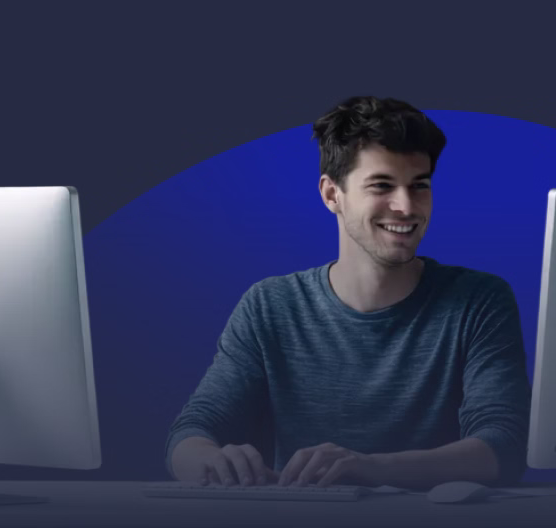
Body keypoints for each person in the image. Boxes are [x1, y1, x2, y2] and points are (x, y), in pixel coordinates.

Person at [165, 96, 531, 490]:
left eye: (419, 186)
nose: (406, 206)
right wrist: (207, 460)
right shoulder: (269, 306)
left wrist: (372, 470)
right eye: (381, 185)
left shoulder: (478, 300)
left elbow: (504, 446)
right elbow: (192, 432)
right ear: (331, 194)